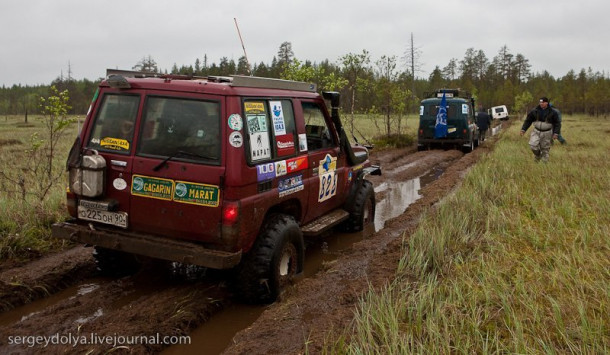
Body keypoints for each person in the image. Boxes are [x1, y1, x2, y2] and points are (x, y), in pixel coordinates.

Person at [520, 97, 559, 162]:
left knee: (545, 149)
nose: (541, 103)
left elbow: (557, 123)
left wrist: (556, 133)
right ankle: (538, 155)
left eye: (543, 102)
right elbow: (528, 121)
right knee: (533, 145)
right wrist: (523, 129)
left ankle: (544, 166)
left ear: (547, 103)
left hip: (547, 132)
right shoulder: (534, 111)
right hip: (536, 131)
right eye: (540, 102)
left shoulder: (553, 112)